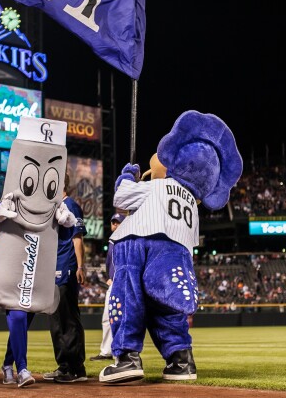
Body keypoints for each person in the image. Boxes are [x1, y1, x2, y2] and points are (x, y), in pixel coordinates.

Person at [99, 111, 242, 385]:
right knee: (165, 306)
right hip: (177, 253)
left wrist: (128, 176)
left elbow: (121, 198)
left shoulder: (159, 187)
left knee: (128, 298)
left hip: (138, 246)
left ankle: (127, 358)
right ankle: (181, 360)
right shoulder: (192, 203)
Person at [0, 117, 76, 388]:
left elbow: (62, 237)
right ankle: (23, 369)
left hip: (35, 271)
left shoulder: (54, 208)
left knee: (23, 320)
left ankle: (7, 363)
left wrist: (67, 225)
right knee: (17, 315)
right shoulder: (12, 199)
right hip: (13, 268)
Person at [43, 173, 88, 383]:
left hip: (67, 266)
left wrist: (80, 265)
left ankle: (76, 368)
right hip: (53, 268)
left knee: (68, 318)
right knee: (56, 319)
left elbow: (77, 238)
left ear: (60, 184)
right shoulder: (55, 208)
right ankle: (63, 366)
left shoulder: (70, 204)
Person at [90, 213, 124, 361]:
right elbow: (109, 263)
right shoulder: (112, 241)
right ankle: (106, 352)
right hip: (114, 282)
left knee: (123, 318)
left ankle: (123, 352)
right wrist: (110, 277)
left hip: (124, 283)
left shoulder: (128, 239)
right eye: (113, 222)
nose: (115, 225)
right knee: (107, 318)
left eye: (118, 222)